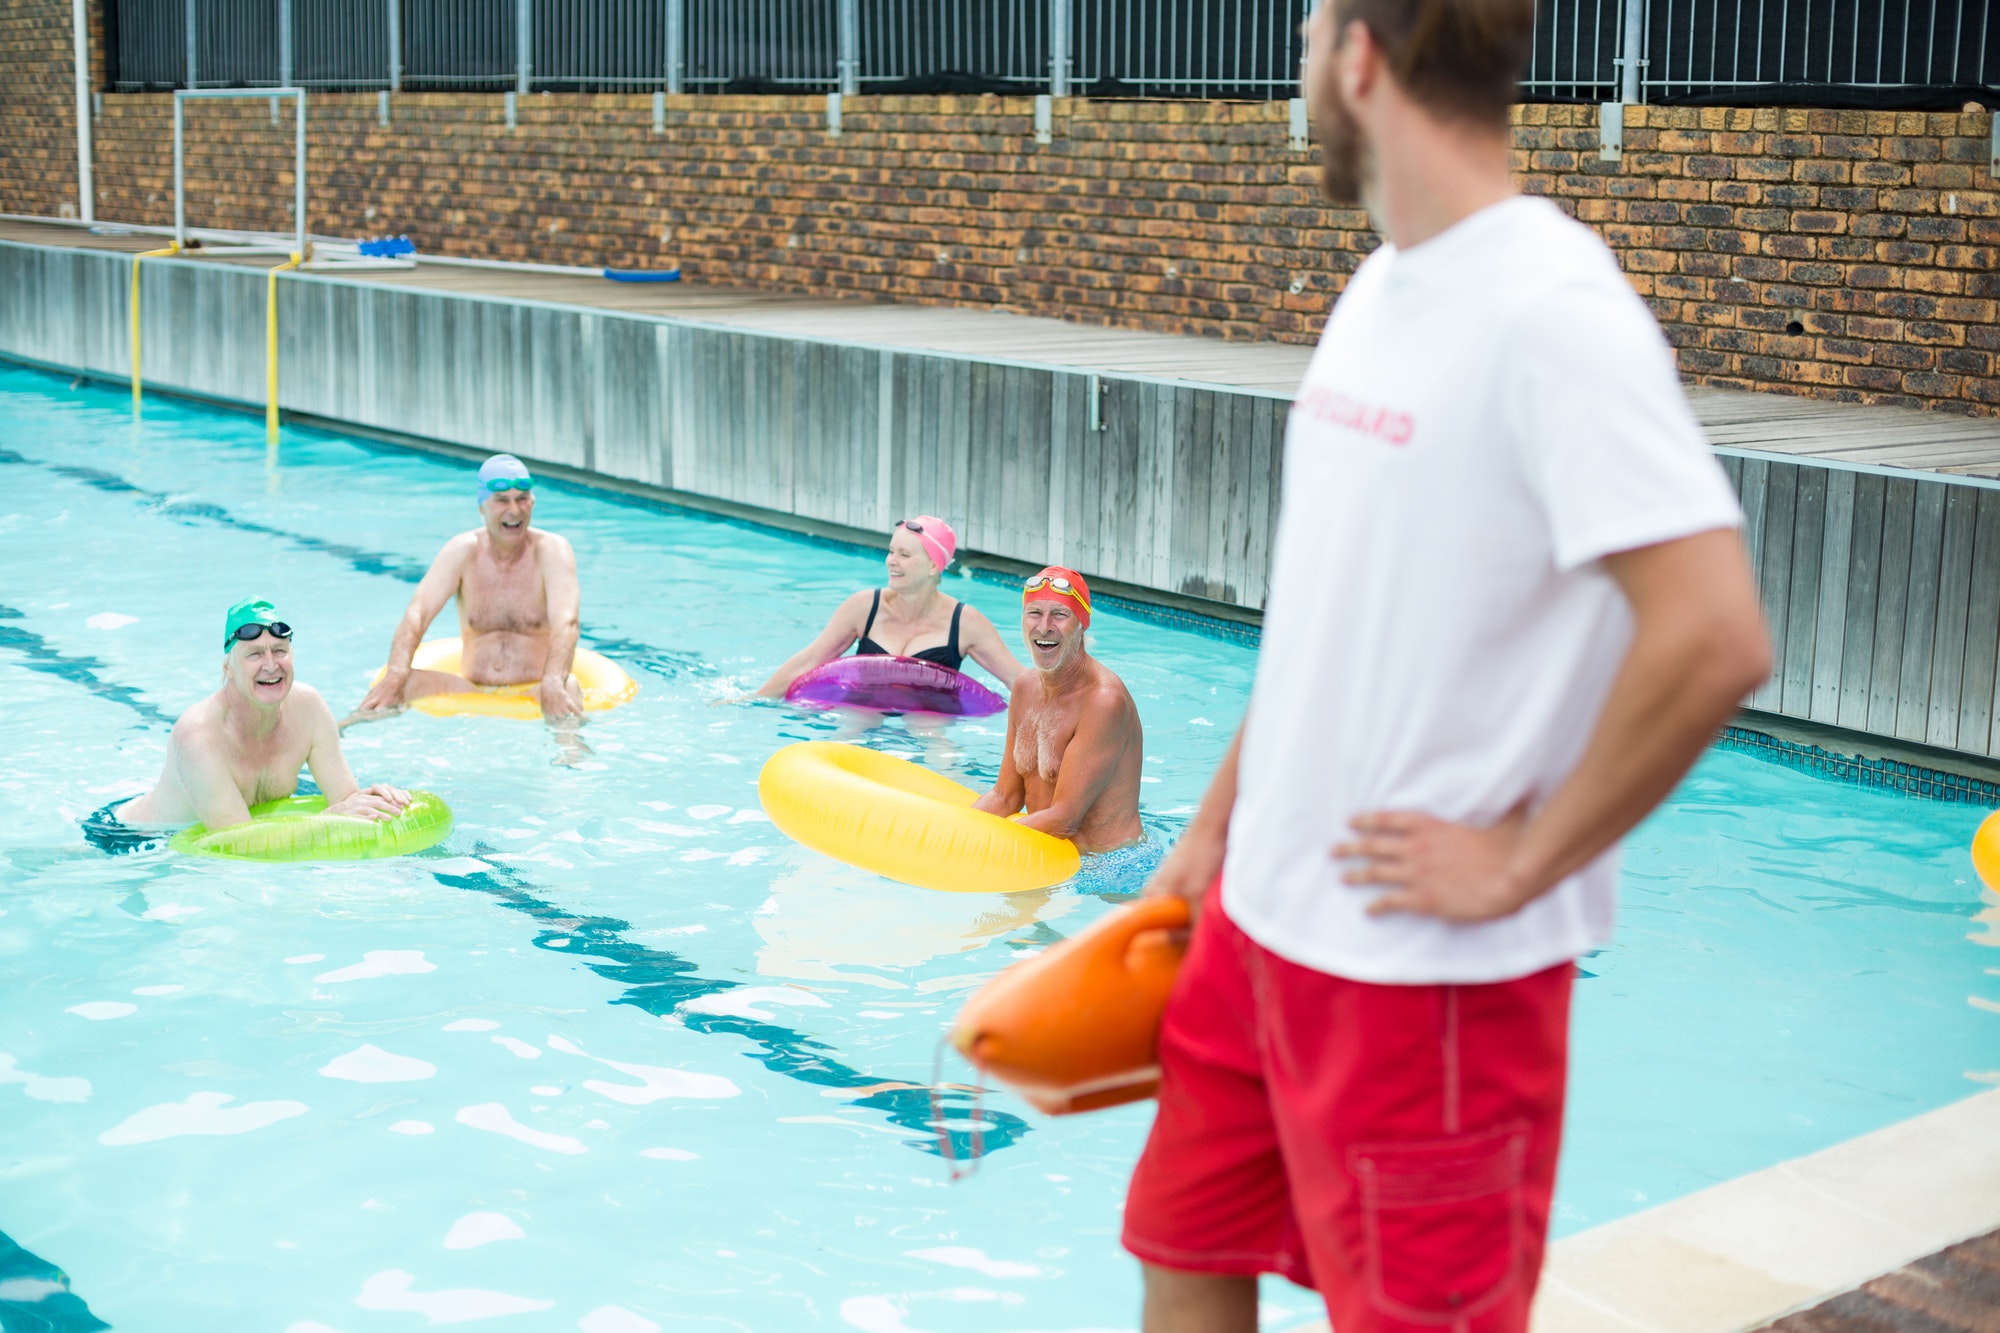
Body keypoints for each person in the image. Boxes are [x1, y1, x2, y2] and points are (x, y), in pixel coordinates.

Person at [1121, 3, 1772, 1332]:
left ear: (1360, 59)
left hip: (1431, 988)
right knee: (1184, 1244)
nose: (1302, 71)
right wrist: (1212, 831)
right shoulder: (1385, 285)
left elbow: (1714, 631)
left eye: (1309, 36)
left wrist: (1522, 859)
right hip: (1264, 922)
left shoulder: (1555, 313)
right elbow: (1329, 615)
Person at [89, 599, 411, 852]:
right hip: (136, 841)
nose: (271, 665)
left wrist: (375, 799)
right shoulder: (198, 736)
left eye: (280, 651)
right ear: (227, 669)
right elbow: (241, 847)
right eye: (254, 654)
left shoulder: (309, 708)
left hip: (231, 832)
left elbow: (345, 800)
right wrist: (328, 821)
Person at [351, 454, 584, 723]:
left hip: (534, 689)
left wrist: (553, 681)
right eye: (501, 500)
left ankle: (569, 760)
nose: (514, 510)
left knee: (569, 686)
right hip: (470, 690)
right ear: (481, 507)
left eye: (522, 499)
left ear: (532, 503)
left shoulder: (552, 551)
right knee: (401, 683)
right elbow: (418, 613)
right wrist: (395, 674)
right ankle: (341, 737)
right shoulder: (462, 551)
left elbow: (567, 622)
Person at [972, 568, 1145, 855]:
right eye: (1034, 613)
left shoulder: (1103, 701)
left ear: (1082, 624)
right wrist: (958, 831)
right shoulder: (1024, 688)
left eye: (1060, 615)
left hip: (1107, 868)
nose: (1044, 627)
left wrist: (985, 843)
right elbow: (1006, 796)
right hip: (1049, 855)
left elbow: (1065, 819)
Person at [754, 516, 1023, 697]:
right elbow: (809, 661)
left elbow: (1018, 680)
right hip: (863, 707)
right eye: (891, 551)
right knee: (856, 722)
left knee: (931, 736)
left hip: (930, 715)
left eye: (904, 555)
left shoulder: (964, 623)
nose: (891, 561)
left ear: (933, 566)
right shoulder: (863, 607)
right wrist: (755, 700)